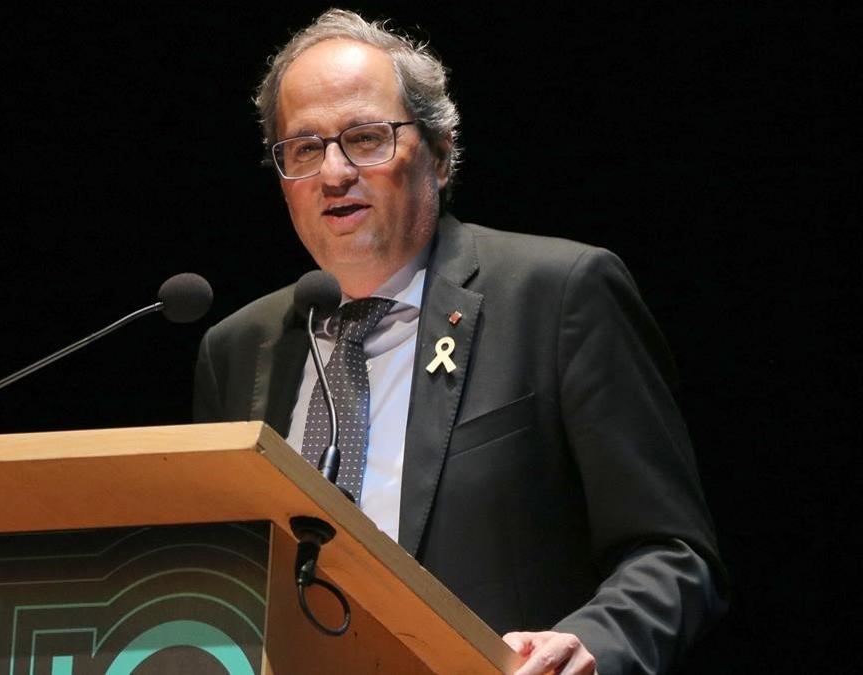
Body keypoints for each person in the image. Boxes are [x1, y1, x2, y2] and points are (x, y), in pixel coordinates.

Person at [193, 9, 727, 674]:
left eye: (365, 138)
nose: (334, 173)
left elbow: (673, 552)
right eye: (304, 148)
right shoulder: (241, 347)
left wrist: (594, 641)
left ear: (440, 154)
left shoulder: (557, 296)